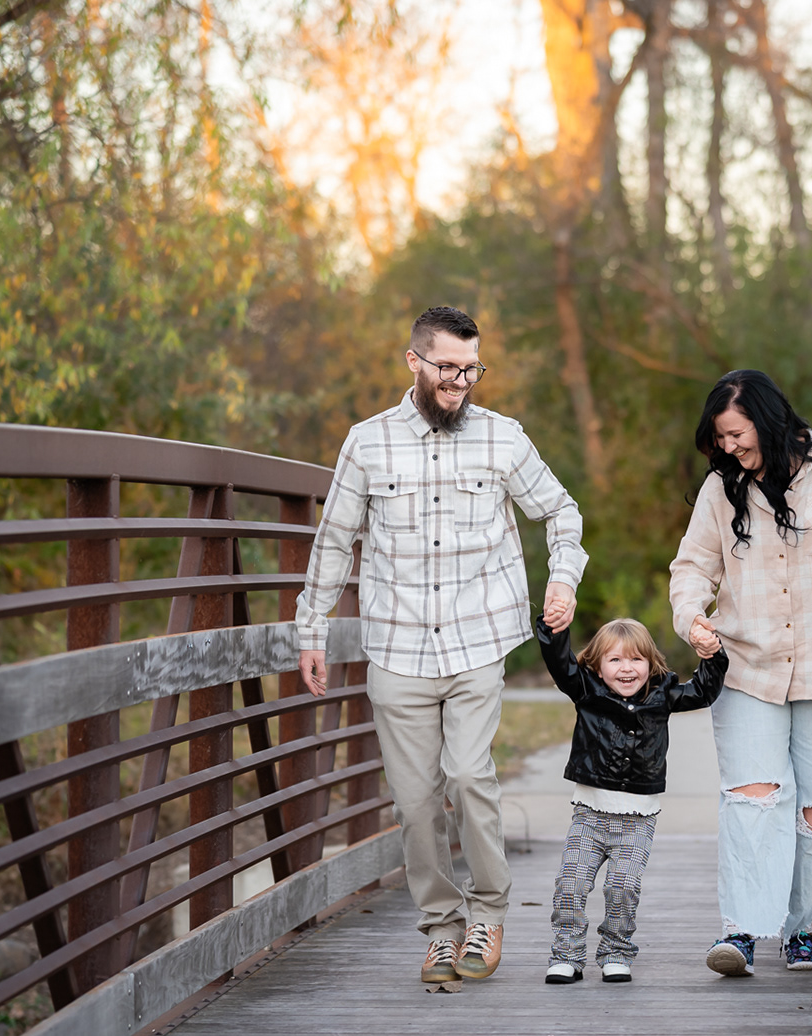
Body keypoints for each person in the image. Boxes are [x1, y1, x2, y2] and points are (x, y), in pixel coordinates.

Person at [296, 306, 587, 985]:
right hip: (397, 645)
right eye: (448, 368)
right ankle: (441, 928)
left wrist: (563, 577)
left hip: (477, 638)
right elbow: (334, 541)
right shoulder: (367, 443)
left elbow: (561, 511)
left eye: (471, 370)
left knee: (467, 774)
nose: (460, 382)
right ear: (414, 361)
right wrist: (312, 628)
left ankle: (488, 912)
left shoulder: (503, 438)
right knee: (415, 800)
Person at [668, 369, 812, 977]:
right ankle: (743, 930)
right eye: (720, 438)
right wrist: (692, 617)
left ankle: (804, 931)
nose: (728, 448)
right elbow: (692, 565)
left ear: (769, 421)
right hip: (747, 664)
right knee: (752, 798)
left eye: (737, 434)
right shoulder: (721, 488)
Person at [534, 615, 727, 984]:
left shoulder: (663, 695)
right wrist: (553, 628)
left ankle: (616, 953)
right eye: (615, 660)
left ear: (650, 664)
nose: (626, 668)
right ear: (597, 666)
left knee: (622, 888)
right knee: (570, 885)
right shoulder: (586, 690)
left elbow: (703, 691)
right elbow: (560, 664)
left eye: (636, 659)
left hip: (637, 820)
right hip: (589, 815)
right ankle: (567, 955)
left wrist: (713, 655)